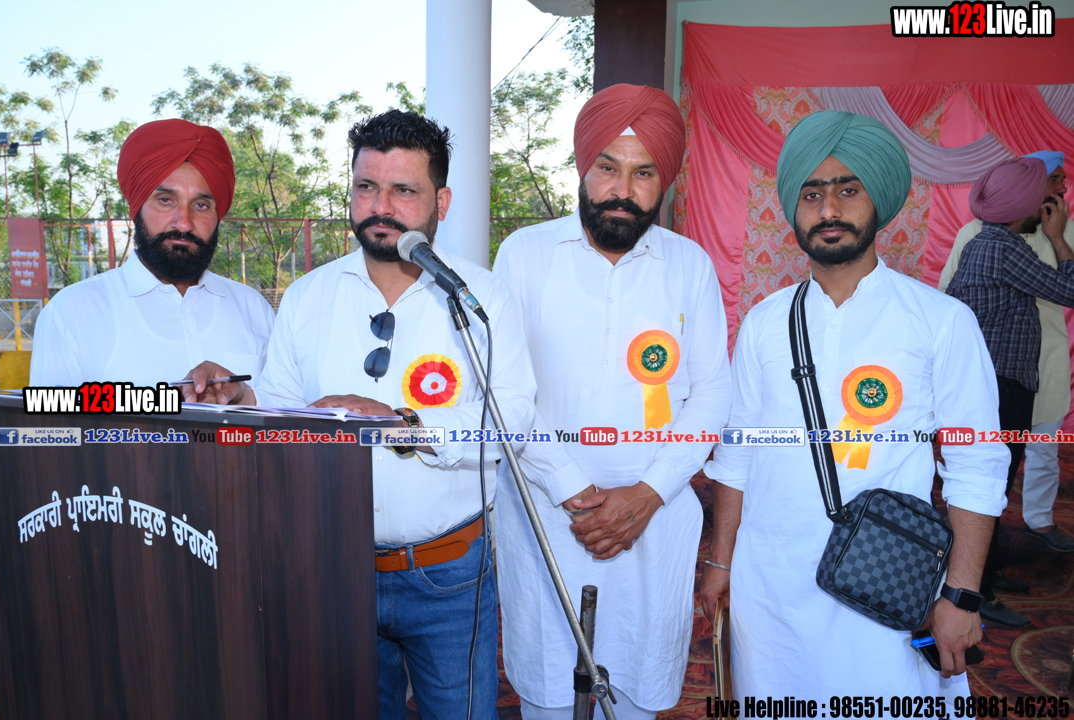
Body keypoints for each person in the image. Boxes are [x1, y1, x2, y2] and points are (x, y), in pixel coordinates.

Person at [188, 109, 536, 720]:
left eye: (404, 190)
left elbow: (512, 423)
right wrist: (243, 403)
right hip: (331, 569)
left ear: (441, 202)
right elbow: (280, 415)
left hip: (450, 573)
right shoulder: (308, 296)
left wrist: (404, 423)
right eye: (366, 187)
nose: (381, 206)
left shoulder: (480, 298)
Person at [700, 110, 1008, 696]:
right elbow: (736, 457)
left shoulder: (941, 321)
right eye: (812, 193)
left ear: (878, 200)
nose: (828, 210)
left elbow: (977, 466)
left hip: (884, 586)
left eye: (847, 190)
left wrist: (962, 594)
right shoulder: (765, 322)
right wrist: (721, 562)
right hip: (770, 591)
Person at [492, 84, 731, 720]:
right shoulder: (524, 255)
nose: (622, 190)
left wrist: (647, 495)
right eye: (607, 167)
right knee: (548, 693)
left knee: (635, 694)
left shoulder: (690, 265)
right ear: (582, 167)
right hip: (548, 517)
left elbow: (712, 391)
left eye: (643, 173)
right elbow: (504, 390)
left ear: (665, 181)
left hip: (655, 521)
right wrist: (574, 489)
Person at [30, 118, 273, 389]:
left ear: (218, 216)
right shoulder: (72, 312)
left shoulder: (254, 310)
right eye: (165, 200)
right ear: (137, 209)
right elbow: (50, 415)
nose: (184, 223)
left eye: (201, 205)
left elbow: (281, 406)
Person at [945, 156, 1074, 627]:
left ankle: (988, 573)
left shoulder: (992, 242)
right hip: (999, 389)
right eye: (1043, 196)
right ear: (1026, 205)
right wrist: (1058, 238)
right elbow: (1070, 290)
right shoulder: (1002, 248)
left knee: (993, 487)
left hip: (997, 385)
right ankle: (974, 593)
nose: (1049, 203)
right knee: (989, 489)